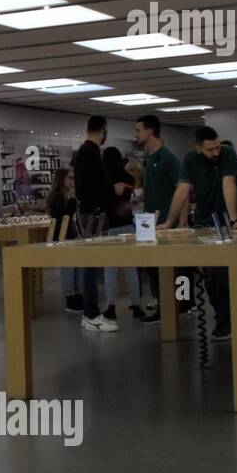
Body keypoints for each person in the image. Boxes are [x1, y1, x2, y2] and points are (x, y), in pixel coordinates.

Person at [163, 127, 237, 342]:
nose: (216, 152)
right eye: (210, 149)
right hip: (203, 223)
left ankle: (227, 321)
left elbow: (229, 184)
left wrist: (233, 219)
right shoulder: (189, 160)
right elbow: (182, 190)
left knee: (221, 274)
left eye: (217, 146)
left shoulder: (227, 154)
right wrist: (170, 221)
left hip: (225, 223)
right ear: (198, 148)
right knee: (209, 275)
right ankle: (197, 307)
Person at [71, 115, 126, 333]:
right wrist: (113, 190)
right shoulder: (88, 153)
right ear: (104, 131)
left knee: (93, 263)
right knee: (90, 263)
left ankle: (91, 311)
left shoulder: (89, 152)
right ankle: (90, 313)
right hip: (91, 216)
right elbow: (87, 188)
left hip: (94, 214)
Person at [133, 114, 181, 323]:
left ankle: (180, 303)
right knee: (152, 266)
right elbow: (148, 190)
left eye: (138, 130)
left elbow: (183, 188)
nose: (136, 134)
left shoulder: (168, 159)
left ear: (150, 131)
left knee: (173, 266)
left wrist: (180, 220)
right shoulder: (148, 158)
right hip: (148, 220)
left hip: (166, 221)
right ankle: (162, 304)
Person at [101, 146, 143, 321]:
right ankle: (136, 305)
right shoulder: (127, 177)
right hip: (128, 225)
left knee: (110, 270)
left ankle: (111, 306)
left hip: (109, 227)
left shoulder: (103, 180)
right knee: (131, 269)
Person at [45, 167, 81, 313]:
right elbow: (63, 217)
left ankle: (78, 293)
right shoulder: (57, 197)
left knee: (77, 266)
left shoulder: (65, 196)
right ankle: (70, 298)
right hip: (63, 236)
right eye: (70, 178)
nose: (73, 181)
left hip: (71, 234)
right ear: (62, 179)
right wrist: (73, 200)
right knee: (68, 267)